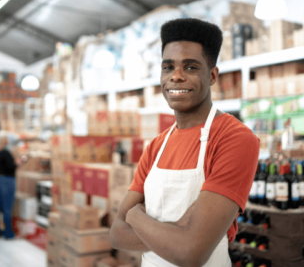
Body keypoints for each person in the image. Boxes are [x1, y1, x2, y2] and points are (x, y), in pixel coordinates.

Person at [109, 18, 260, 267]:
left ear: (212, 75)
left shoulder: (234, 138)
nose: (176, 76)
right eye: (168, 67)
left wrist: (135, 216)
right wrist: (179, 233)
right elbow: (116, 234)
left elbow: (191, 253)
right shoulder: (156, 147)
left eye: (190, 67)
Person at [0, 116, 39, 235]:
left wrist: (36, 139)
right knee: (1, 205)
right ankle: (4, 231)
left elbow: (20, 139)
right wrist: (24, 160)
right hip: (2, 180)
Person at [0, 130, 18, 239]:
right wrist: (19, 162)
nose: (7, 140)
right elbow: (12, 167)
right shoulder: (6, 153)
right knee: (7, 207)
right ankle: (8, 233)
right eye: (6, 138)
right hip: (7, 181)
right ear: (3, 140)